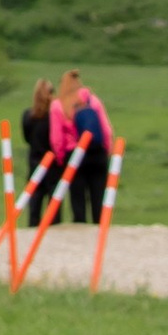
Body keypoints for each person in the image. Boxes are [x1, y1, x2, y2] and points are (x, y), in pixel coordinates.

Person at [67, 72, 112, 225]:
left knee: (78, 193)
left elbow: (61, 133)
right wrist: (107, 149)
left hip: (77, 151)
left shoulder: (66, 103)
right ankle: (99, 224)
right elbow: (106, 128)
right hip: (98, 152)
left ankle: (80, 223)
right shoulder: (94, 101)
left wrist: (63, 154)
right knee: (98, 192)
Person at [21, 78, 55, 228]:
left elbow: (26, 138)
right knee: (53, 207)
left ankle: (33, 230)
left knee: (34, 205)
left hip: (35, 161)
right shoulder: (53, 117)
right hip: (53, 163)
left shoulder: (28, 116)